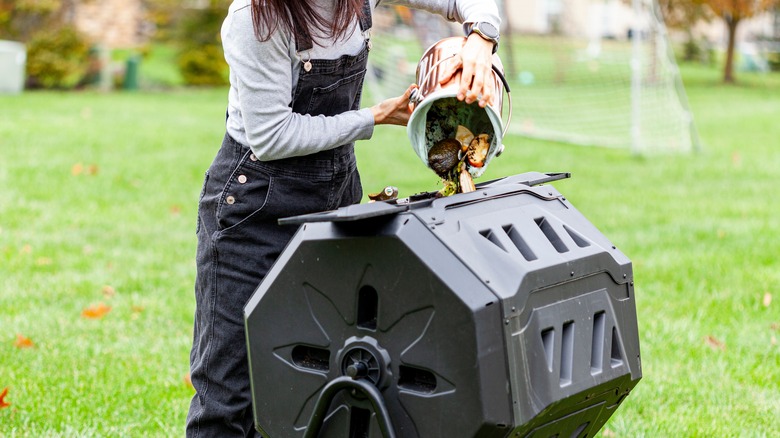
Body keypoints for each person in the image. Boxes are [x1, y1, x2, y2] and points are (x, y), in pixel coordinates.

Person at [186, 0, 501, 435]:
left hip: (336, 198)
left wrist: (481, 39)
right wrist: (374, 116)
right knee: (230, 394)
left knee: (319, 378)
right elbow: (271, 135)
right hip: (256, 211)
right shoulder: (253, 18)